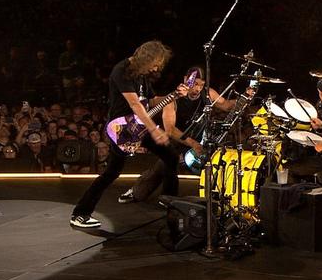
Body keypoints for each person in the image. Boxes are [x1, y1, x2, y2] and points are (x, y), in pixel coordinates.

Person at [70, 40, 184, 229]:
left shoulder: (142, 75)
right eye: (154, 64)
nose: (156, 68)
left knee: (171, 156)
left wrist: (174, 95)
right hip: (122, 130)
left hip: (139, 126)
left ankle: (169, 202)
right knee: (112, 172)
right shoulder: (121, 70)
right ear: (145, 58)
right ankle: (80, 213)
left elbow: (150, 101)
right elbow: (135, 104)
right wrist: (154, 129)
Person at [119, 66, 252, 203]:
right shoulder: (173, 98)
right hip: (177, 139)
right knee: (165, 164)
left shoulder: (208, 93)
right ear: (186, 80)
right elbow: (170, 130)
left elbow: (227, 105)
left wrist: (245, 96)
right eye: (195, 84)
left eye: (201, 85)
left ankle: (215, 198)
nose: (198, 89)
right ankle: (141, 193)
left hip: (200, 138)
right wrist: (193, 144)